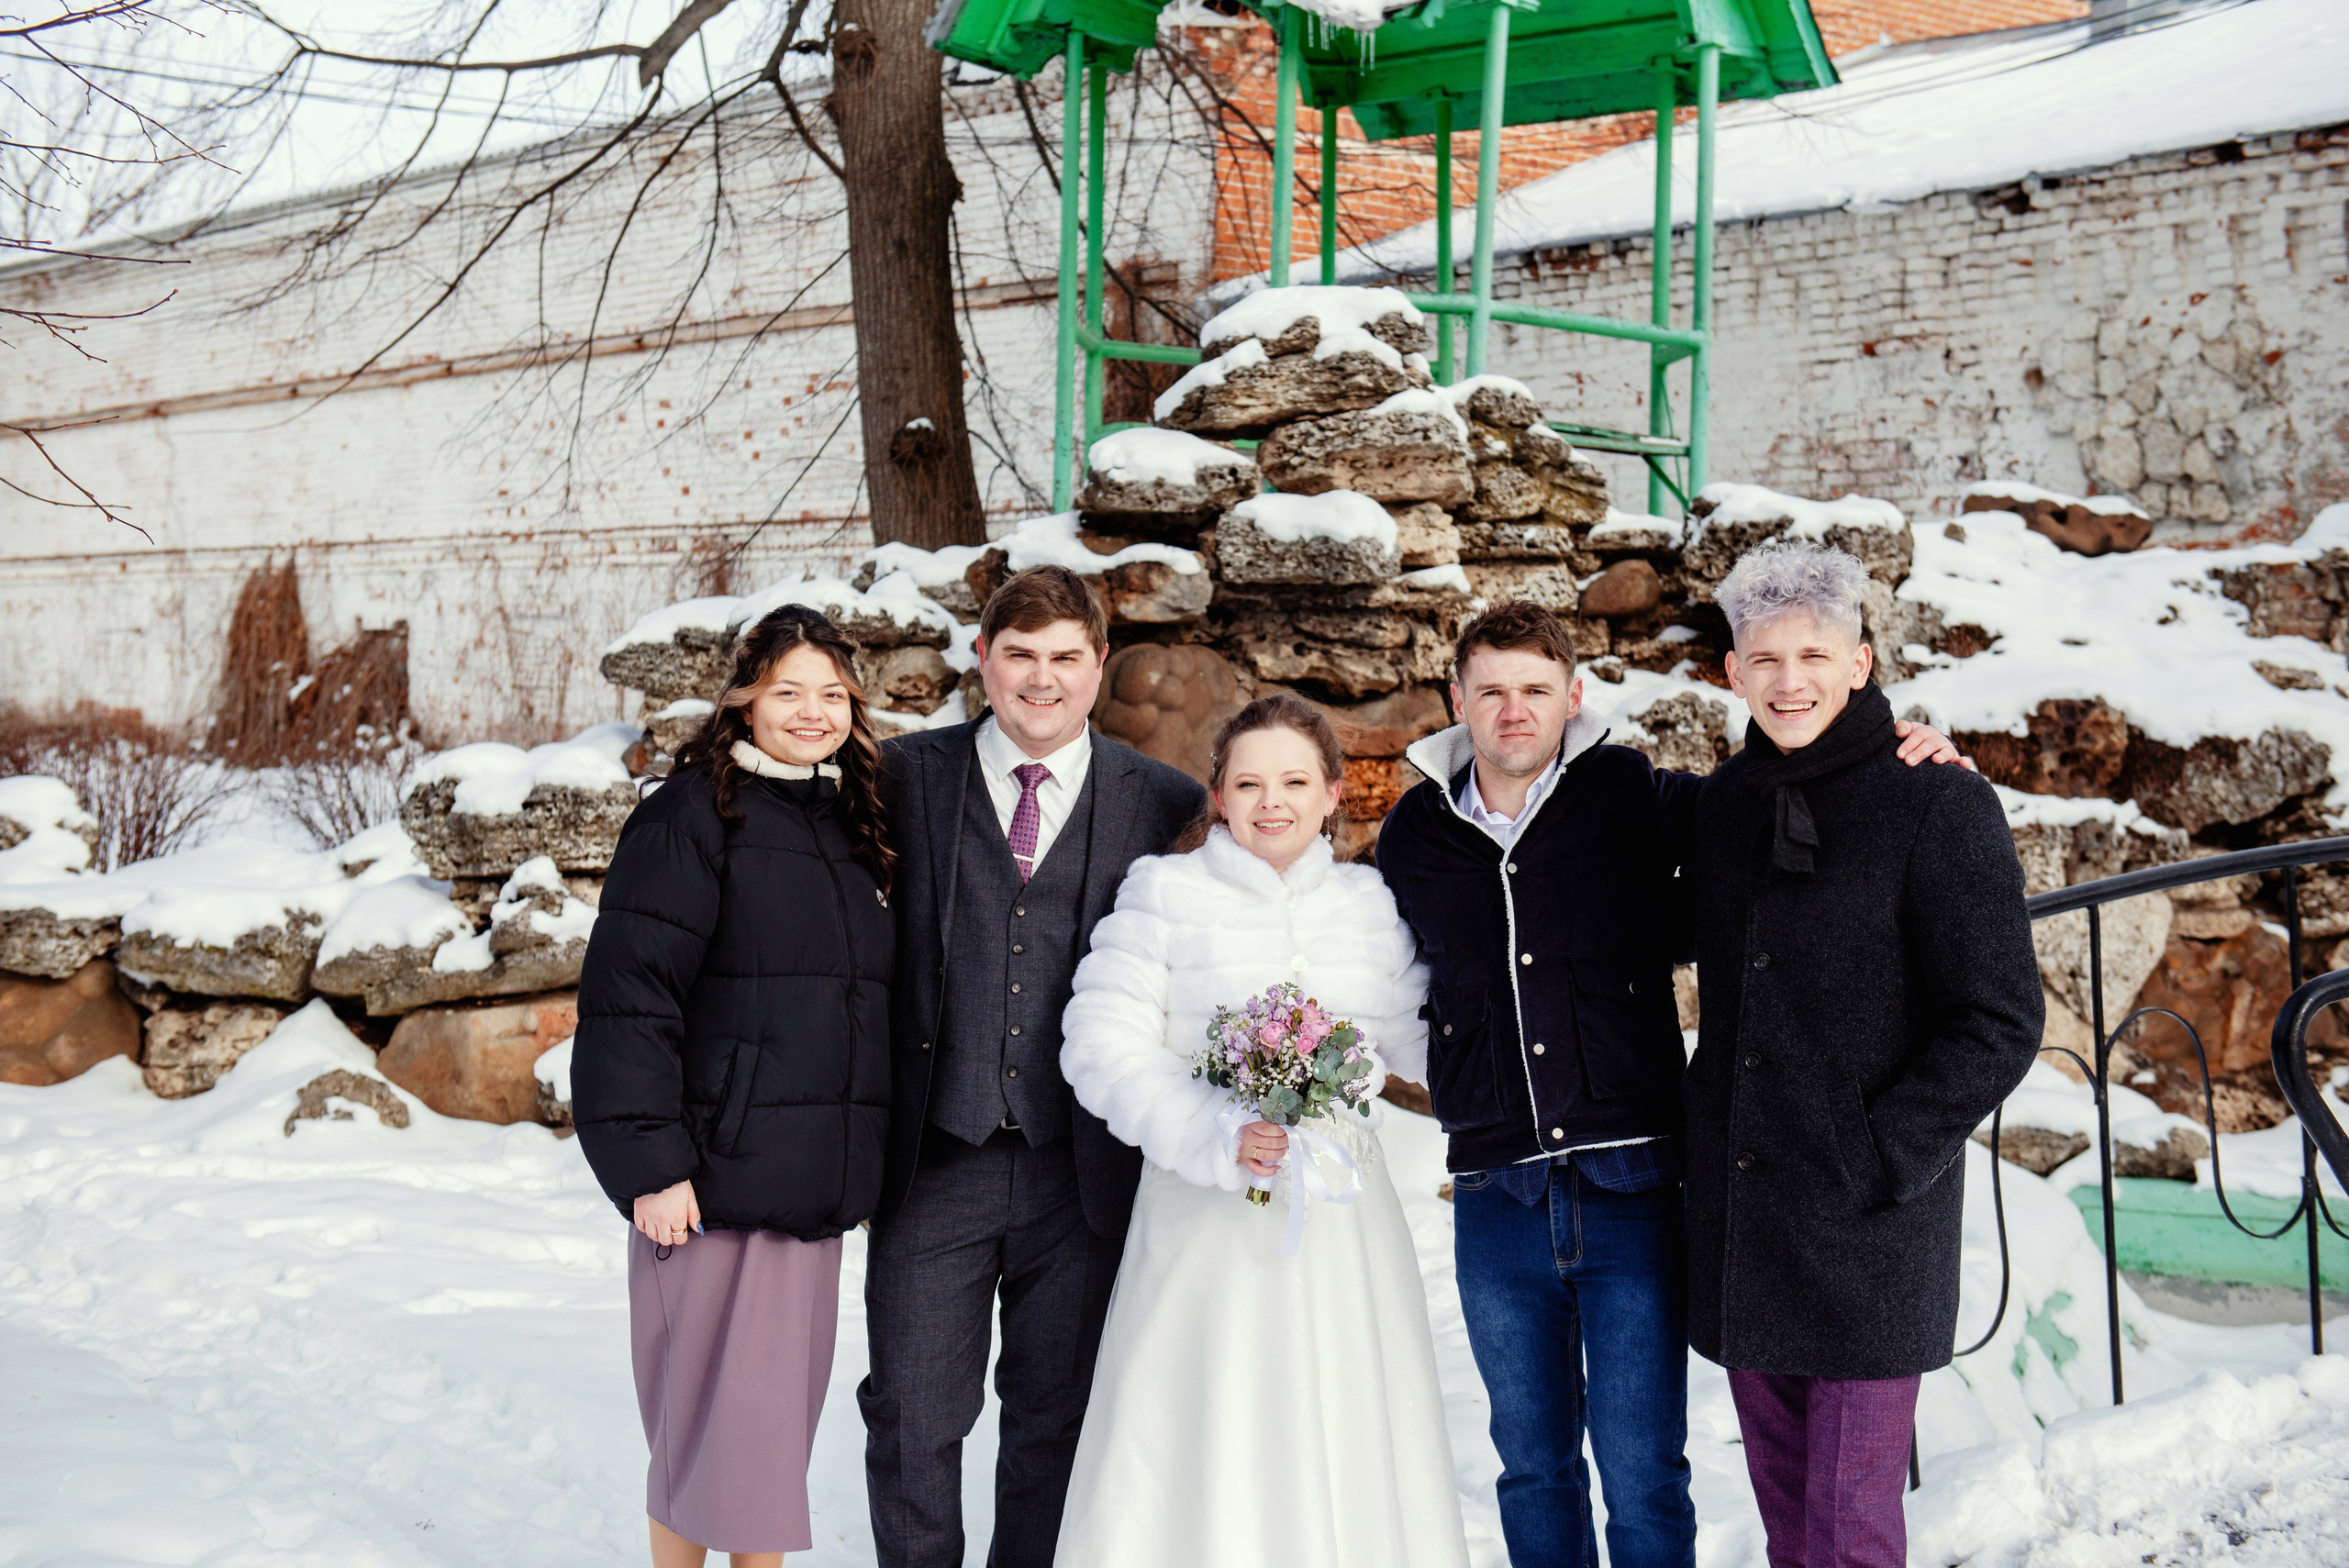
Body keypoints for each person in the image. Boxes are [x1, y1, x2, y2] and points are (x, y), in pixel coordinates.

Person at [1375, 599, 1963, 1568]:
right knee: (1529, 1463)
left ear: (1573, 695)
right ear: (1457, 699)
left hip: (1631, 1184)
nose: (1513, 710)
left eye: (1534, 688)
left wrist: (1905, 748)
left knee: (1644, 1466)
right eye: (1490, 690)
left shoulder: (1634, 796)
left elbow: (1793, 795)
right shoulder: (1415, 833)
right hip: (1496, 1188)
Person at [1052, 692, 1472, 1568]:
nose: (1270, 801)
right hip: (1206, 1222)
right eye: (1247, 782)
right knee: (1209, 1426)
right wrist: (1213, 1128)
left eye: (1292, 780)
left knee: (1343, 1418)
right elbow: (1100, 1043)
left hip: (1341, 1229)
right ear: (1219, 795)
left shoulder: (1366, 905)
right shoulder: (1163, 893)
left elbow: (1429, 1042)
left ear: (1332, 792)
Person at [1686, 540, 2041, 1568]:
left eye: (1812, 655)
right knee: (1788, 1520)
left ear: (1861, 662)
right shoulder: (1721, 807)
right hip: (1749, 1221)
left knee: (1849, 1527)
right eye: (1764, 658)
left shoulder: (1938, 799)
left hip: (1868, 1227)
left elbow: (1999, 1016)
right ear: (1732, 672)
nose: (1787, 680)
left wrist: (1880, 1151)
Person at [859, 564, 1207, 1568]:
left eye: (1065, 658)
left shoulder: (1165, 800)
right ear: (982, 659)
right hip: (935, 1158)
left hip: (1083, 1172)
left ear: (1099, 667)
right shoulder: (898, 778)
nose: (1040, 680)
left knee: (1054, 1424)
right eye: (1018, 655)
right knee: (913, 1420)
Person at [572, 605, 896, 1568]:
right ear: (742, 700)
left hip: (810, 1188)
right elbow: (631, 1000)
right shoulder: (689, 815)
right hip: (707, 1185)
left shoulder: (853, 819)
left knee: (763, 1447)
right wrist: (650, 1162)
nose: (812, 711)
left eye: (831, 693)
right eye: (787, 690)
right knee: (699, 1432)